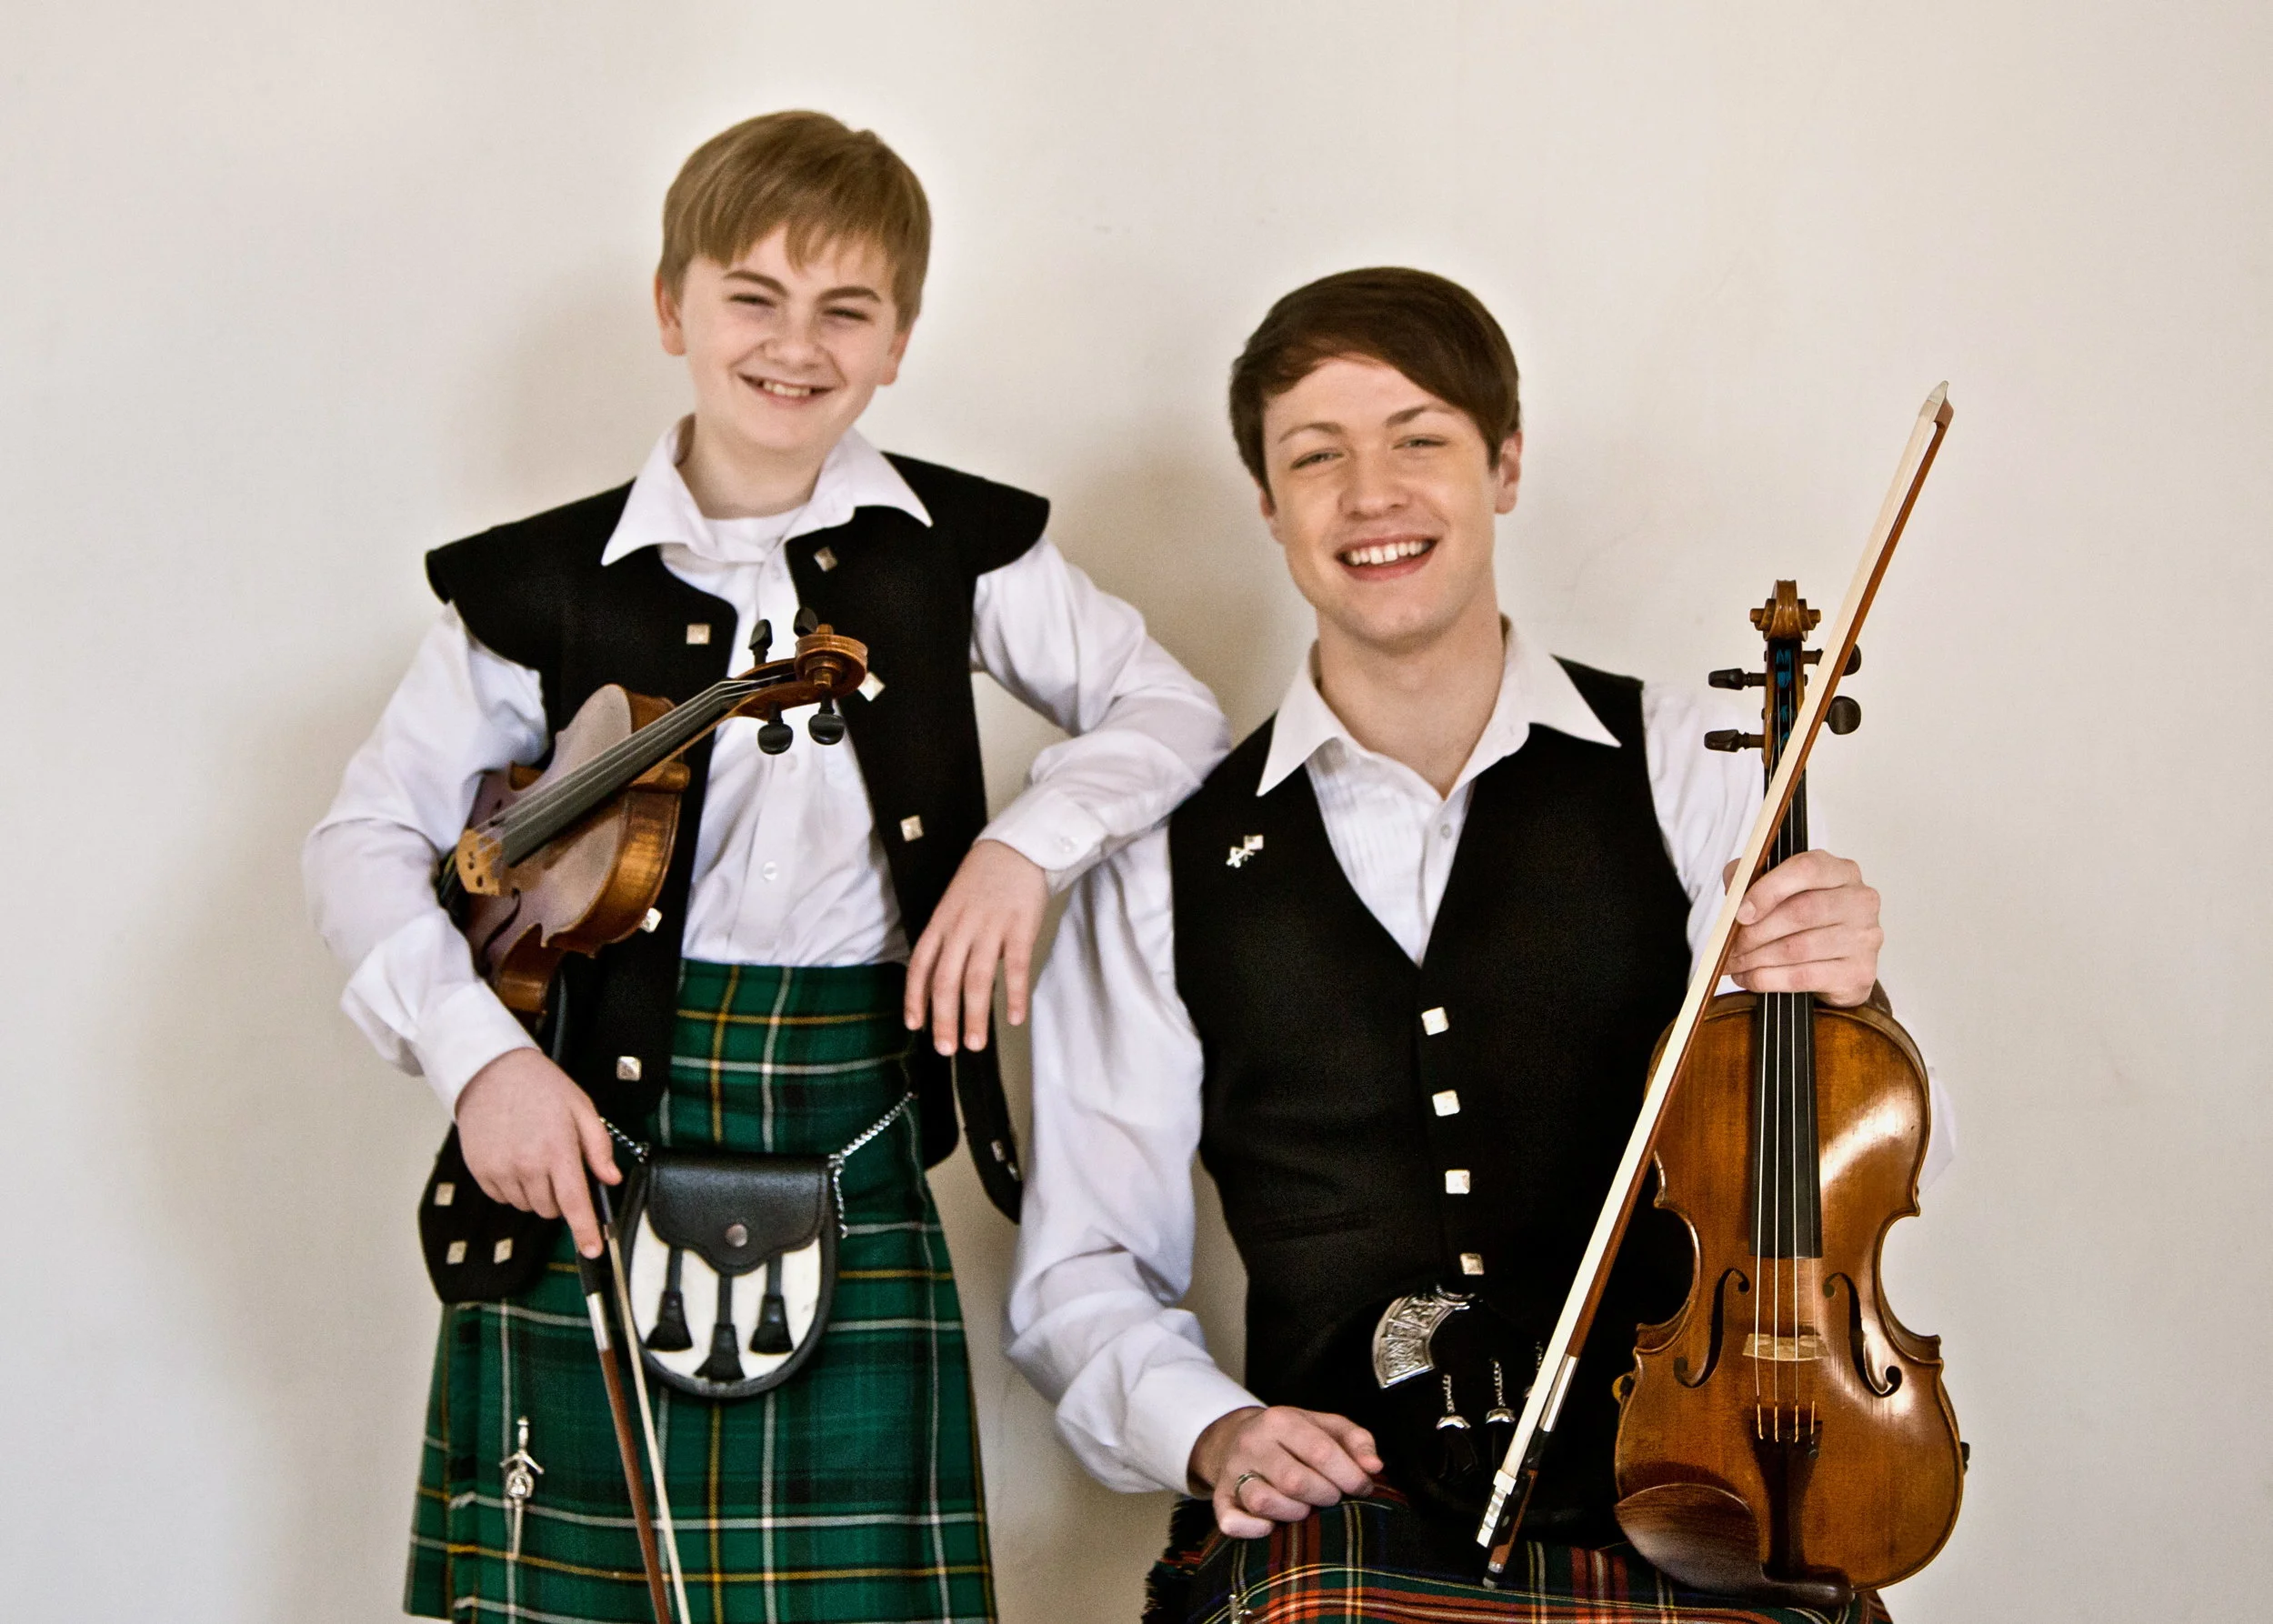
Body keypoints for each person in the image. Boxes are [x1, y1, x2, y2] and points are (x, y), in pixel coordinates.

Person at [305, 110, 1227, 1624]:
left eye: (845, 309)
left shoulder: (955, 549)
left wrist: (1023, 846)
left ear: (898, 341)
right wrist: (481, 1064)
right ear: (673, 308)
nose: (797, 344)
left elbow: (1170, 709)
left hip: (851, 1127)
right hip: (592, 1132)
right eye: (754, 296)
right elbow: (362, 843)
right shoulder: (537, 584)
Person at [1007, 267, 1949, 1623]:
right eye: (1316, 456)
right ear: (1269, 508)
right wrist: (1210, 1429)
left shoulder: (1686, 761)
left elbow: (1873, 1162)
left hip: (1699, 1485)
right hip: (1354, 1523)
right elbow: (1082, 1264)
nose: (1370, 494)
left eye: (1420, 438)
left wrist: (1846, 992)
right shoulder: (1169, 851)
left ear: (1505, 465)